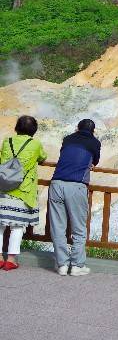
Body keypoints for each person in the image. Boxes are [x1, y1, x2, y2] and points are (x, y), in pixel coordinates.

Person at [48, 118, 101, 276]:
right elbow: (95, 161)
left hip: (56, 183)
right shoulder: (95, 143)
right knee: (78, 228)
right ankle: (77, 266)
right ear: (93, 131)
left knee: (58, 226)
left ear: (77, 128)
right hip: (76, 185)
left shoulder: (67, 138)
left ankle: (62, 265)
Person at [0, 116, 48, 271]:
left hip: (3, 187)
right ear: (34, 130)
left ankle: (0, 257)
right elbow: (43, 157)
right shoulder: (35, 145)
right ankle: (11, 259)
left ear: (17, 127)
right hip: (23, 190)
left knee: (0, 225)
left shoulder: (7, 141)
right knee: (17, 226)